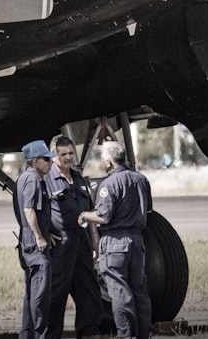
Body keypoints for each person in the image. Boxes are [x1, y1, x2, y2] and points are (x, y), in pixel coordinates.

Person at [78, 141, 152, 339]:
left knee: (119, 290)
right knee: (139, 290)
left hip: (115, 242)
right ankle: (145, 333)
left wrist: (85, 215)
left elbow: (104, 216)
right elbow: (148, 210)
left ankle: (125, 334)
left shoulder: (108, 184)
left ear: (109, 162)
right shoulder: (141, 179)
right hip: (137, 240)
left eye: (103, 160)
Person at [45, 136, 102, 339]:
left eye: (71, 153)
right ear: (54, 157)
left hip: (82, 245)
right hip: (60, 248)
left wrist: (94, 243)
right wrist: (43, 233)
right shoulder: (46, 180)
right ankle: (51, 335)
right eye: (64, 154)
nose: (69, 157)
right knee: (56, 295)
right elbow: (30, 209)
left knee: (89, 290)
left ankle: (89, 332)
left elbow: (87, 214)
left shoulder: (78, 179)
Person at [15, 139, 56, 339]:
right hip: (36, 245)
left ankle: (27, 334)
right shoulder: (34, 179)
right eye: (46, 160)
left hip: (26, 240)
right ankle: (41, 335)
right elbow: (29, 209)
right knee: (40, 295)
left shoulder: (23, 178)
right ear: (35, 161)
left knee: (31, 293)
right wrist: (40, 237)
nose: (50, 163)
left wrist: (46, 232)